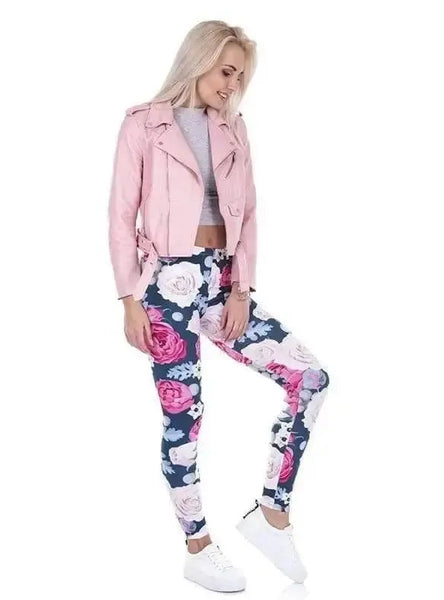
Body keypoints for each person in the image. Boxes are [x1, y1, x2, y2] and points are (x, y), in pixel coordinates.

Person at [108, 20, 331, 593]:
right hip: (164, 285)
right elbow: (121, 214)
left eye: (241, 76)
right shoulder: (143, 123)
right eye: (227, 71)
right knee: (184, 416)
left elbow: (248, 214)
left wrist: (240, 290)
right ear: (199, 60)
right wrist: (129, 299)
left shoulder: (234, 128)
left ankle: (271, 513)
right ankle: (197, 546)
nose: (233, 84)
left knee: (310, 377)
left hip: (223, 280)